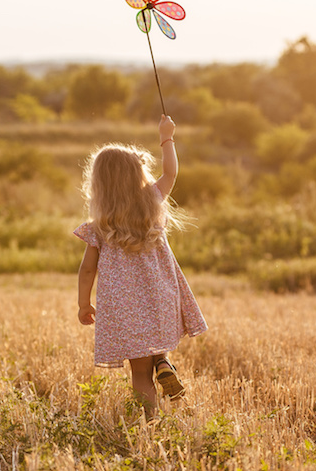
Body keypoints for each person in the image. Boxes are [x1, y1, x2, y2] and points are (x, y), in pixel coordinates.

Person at [73, 115, 207, 416]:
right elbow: (171, 173)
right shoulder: (153, 203)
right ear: (138, 173)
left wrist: (84, 303)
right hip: (161, 296)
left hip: (124, 307)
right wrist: (166, 137)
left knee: (139, 375)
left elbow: (87, 270)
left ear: (98, 183)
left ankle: (149, 423)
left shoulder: (99, 225)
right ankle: (163, 360)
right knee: (157, 336)